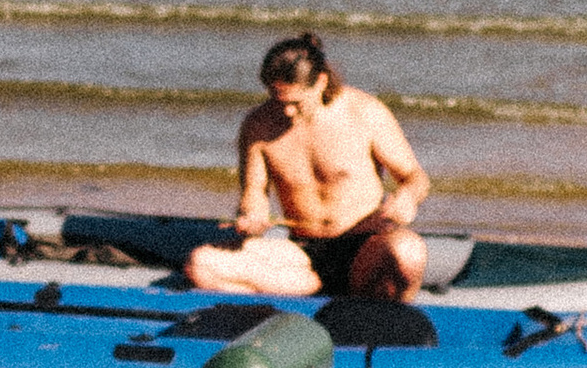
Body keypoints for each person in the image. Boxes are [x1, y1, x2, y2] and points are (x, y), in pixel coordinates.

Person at [183, 32, 429, 300]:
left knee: (409, 251)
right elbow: (254, 193)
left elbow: (415, 177)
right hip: (302, 254)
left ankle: (387, 320)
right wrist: (251, 216)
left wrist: (406, 198)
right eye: (278, 100)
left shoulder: (365, 112)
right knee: (201, 264)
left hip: (365, 246)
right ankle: (305, 298)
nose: (287, 112)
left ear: (321, 82)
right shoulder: (258, 125)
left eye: (295, 103)